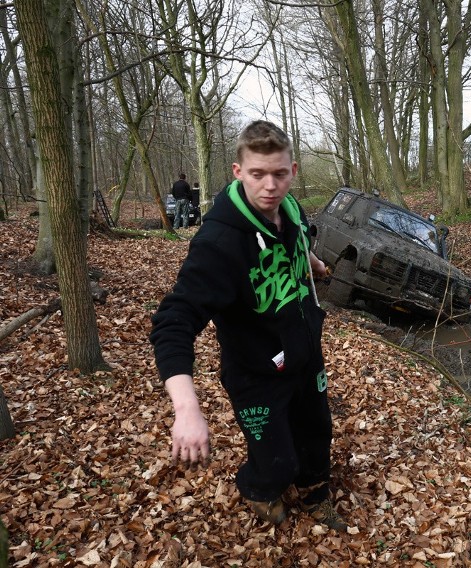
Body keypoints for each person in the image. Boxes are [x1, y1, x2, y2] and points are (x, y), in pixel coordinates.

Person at [150, 120, 345, 530]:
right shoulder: (219, 243)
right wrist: (186, 409)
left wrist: (315, 264)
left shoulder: (291, 209)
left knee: (316, 433)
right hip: (256, 372)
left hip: (305, 352)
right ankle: (258, 489)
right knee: (277, 461)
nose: (269, 186)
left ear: (293, 171)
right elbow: (173, 321)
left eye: (278, 174)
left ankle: (314, 494)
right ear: (239, 172)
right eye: (257, 174)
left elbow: (295, 242)